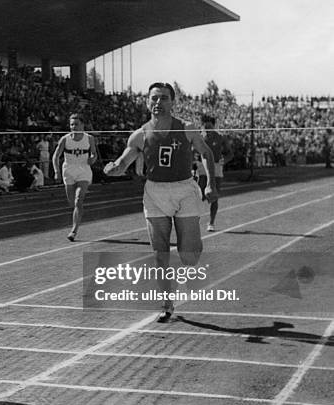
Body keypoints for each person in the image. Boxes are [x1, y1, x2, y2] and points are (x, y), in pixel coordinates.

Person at [104, 82, 218, 322]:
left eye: (164, 98)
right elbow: (123, 162)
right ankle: (166, 303)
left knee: (190, 256)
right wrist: (113, 168)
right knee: (160, 252)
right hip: (155, 192)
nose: (158, 102)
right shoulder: (140, 134)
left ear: (171, 102)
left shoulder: (186, 128)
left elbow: (206, 153)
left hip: (184, 189)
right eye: (154, 98)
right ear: (147, 102)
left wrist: (209, 184)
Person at [52, 113, 97, 241]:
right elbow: (56, 156)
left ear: (83, 125)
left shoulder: (89, 138)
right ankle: (78, 215)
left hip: (83, 170)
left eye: (76, 124)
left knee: (78, 200)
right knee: (72, 203)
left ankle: (74, 230)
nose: (74, 127)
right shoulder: (65, 139)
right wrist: (56, 171)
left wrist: (92, 159)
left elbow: (94, 154)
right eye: (71, 124)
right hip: (68, 170)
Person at [196, 114, 232, 232]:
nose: (207, 130)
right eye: (205, 127)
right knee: (199, 195)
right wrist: (193, 162)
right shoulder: (198, 136)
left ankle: (211, 222)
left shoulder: (221, 137)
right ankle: (194, 220)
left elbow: (230, 153)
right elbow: (190, 151)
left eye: (209, 127)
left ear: (214, 126)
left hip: (216, 167)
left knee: (214, 196)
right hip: (202, 167)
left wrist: (224, 160)